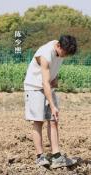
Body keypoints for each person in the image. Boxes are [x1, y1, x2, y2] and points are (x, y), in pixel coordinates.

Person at [23, 35, 77, 168]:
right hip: (35, 88)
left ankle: (56, 156)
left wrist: (56, 78)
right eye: (64, 53)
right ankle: (40, 157)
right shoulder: (45, 54)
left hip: (48, 87)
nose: (64, 56)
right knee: (38, 121)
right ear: (58, 46)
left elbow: (53, 70)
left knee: (53, 121)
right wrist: (52, 105)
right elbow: (44, 82)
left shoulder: (60, 49)